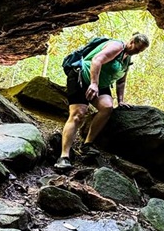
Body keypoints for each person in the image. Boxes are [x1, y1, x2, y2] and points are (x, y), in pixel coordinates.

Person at [54, 32, 150, 170]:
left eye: (140, 51)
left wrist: (121, 101)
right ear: (132, 42)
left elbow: (121, 81)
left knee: (107, 107)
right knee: (78, 114)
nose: (137, 52)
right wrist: (93, 83)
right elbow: (97, 60)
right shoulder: (116, 46)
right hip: (81, 77)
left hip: (100, 85)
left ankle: (87, 144)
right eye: (137, 48)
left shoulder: (127, 59)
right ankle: (64, 156)